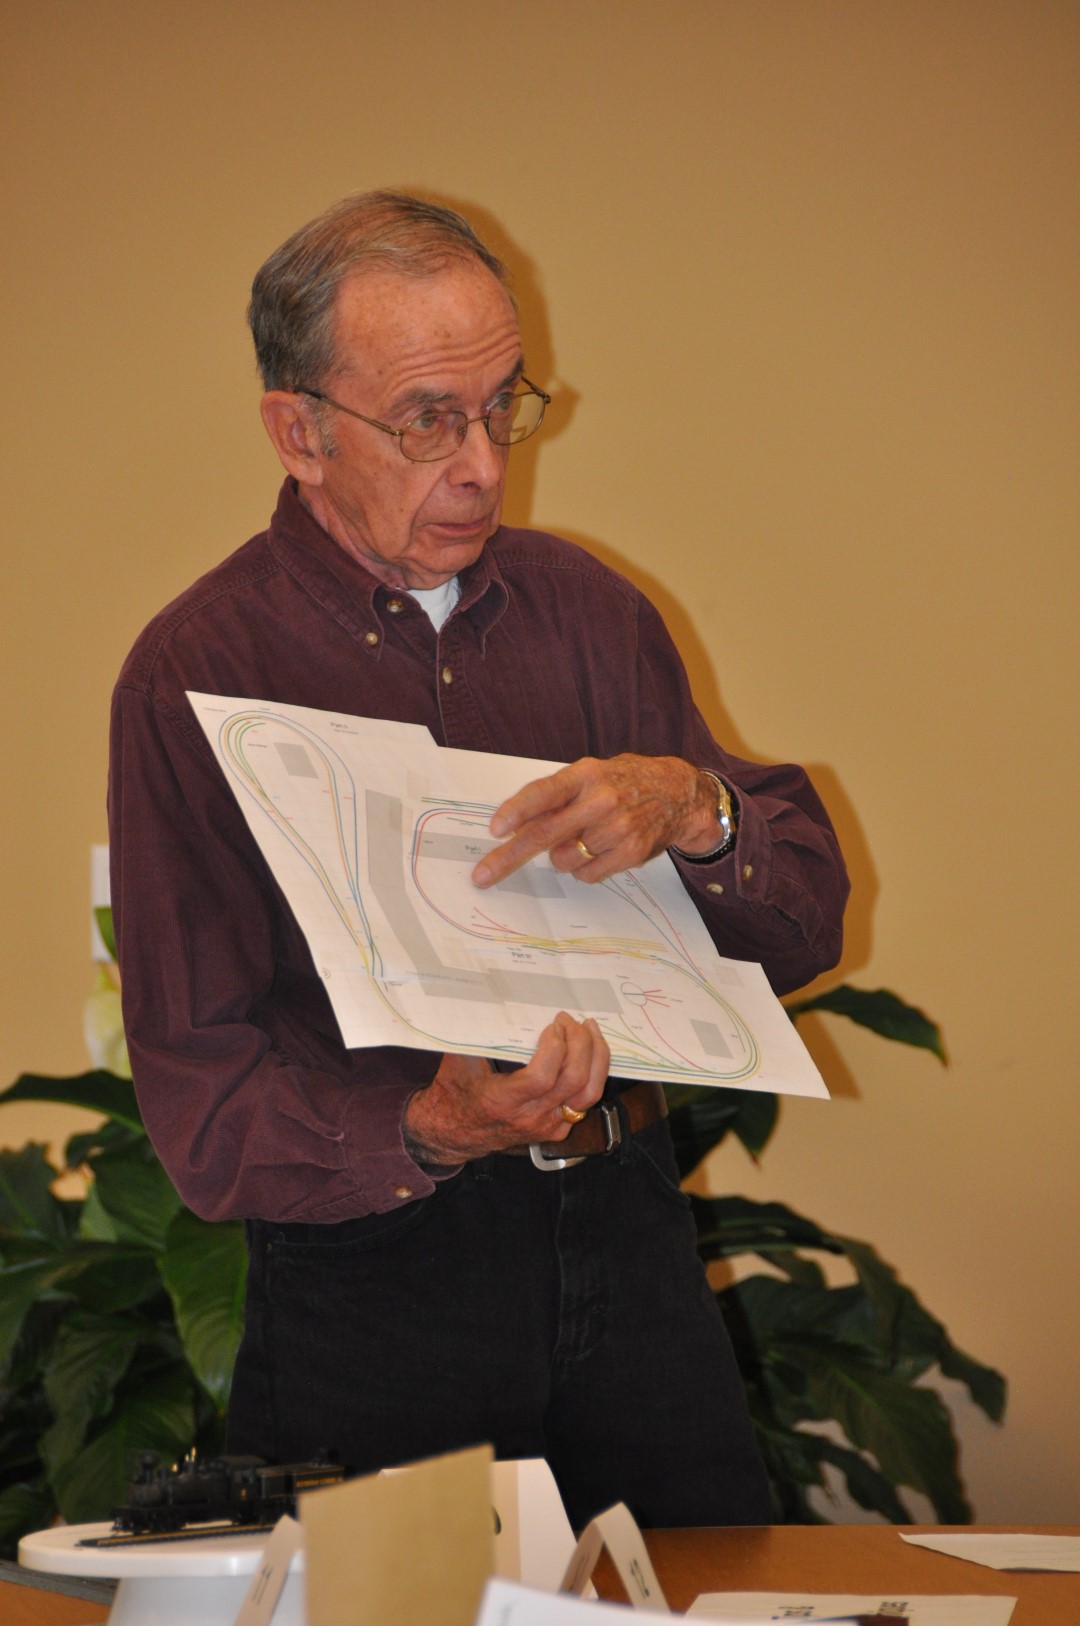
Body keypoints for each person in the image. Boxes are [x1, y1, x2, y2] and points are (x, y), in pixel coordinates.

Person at [109, 190, 848, 1529]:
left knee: (715, 1605)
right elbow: (202, 1092)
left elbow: (801, 929)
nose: (482, 466)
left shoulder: (591, 613)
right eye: (427, 420)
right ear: (299, 432)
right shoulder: (200, 670)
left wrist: (700, 810)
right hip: (376, 1284)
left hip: (629, 1237)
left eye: (503, 406)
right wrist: (426, 1128)